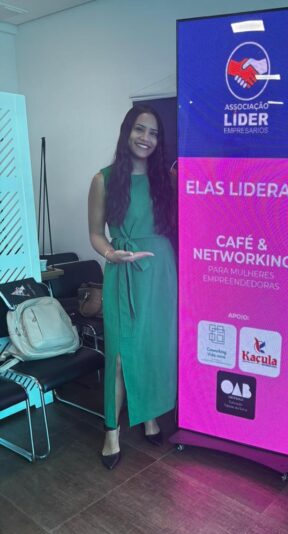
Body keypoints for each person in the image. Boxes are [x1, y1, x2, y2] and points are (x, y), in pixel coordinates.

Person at [88, 104, 177, 469]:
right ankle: (112, 430)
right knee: (120, 356)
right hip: (123, 272)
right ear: (127, 132)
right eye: (140, 129)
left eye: (153, 133)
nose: (146, 138)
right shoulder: (104, 179)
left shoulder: (165, 179)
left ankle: (148, 414)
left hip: (161, 273)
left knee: (153, 349)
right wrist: (112, 253)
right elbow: (95, 233)